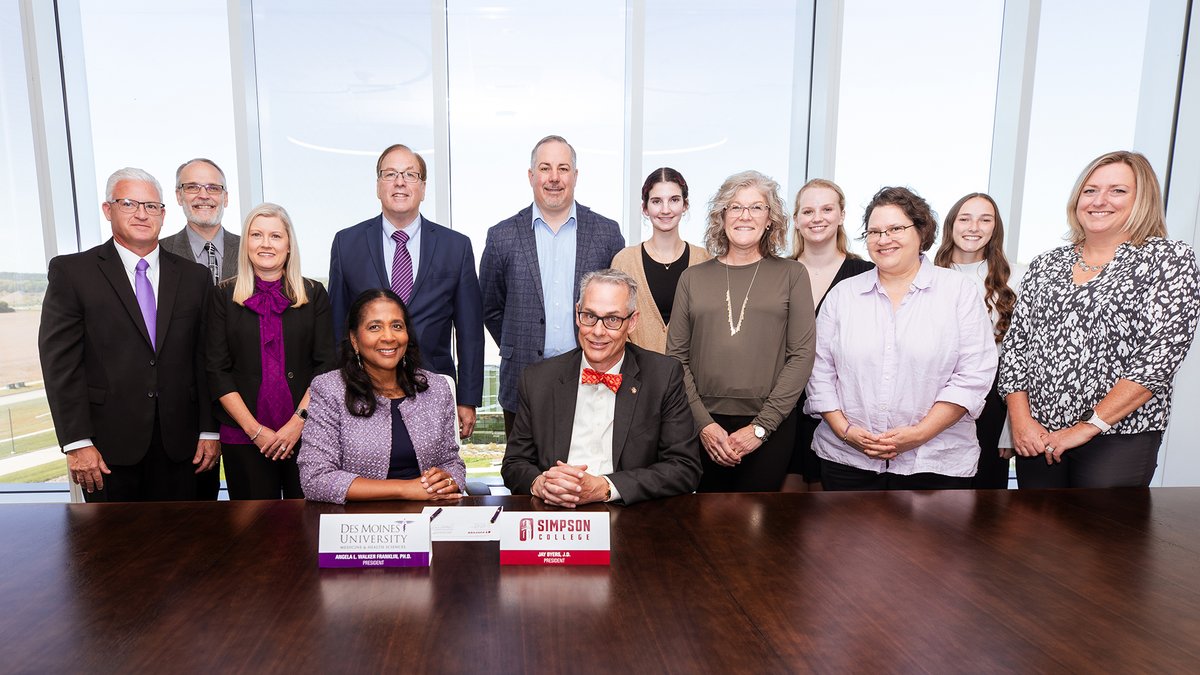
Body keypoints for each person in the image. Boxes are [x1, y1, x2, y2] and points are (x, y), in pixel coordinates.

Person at [999, 151, 1200, 488]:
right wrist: (1021, 422)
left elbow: (1158, 359)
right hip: (1039, 434)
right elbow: (1017, 348)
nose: (1099, 200)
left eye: (1118, 191)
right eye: (1090, 190)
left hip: (1119, 438)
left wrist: (1086, 427)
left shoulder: (1169, 259)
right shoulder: (1046, 263)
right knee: (1035, 538)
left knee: (1101, 539)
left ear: (1142, 199)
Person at [39, 167, 219, 501]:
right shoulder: (72, 273)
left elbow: (205, 358)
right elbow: (60, 365)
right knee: (112, 551)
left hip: (185, 448)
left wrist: (210, 430)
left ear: (163, 214)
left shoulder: (194, 278)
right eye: (128, 204)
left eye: (151, 206)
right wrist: (77, 442)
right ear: (108, 210)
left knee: (192, 549)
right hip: (106, 451)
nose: (141, 214)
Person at [805, 186, 996, 491]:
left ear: (922, 231)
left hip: (935, 463)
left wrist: (920, 433)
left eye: (895, 228)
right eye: (874, 231)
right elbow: (819, 371)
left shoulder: (958, 292)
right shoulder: (843, 295)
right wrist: (845, 431)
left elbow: (973, 375)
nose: (884, 239)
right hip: (847, 460)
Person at [667, 170, 816, 492]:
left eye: (756, 207)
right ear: (722, 217)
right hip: (701, 422)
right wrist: (704, 426)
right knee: (702, 526)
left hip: (770, 423)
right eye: (735, 207)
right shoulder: (692, 278)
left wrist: (761, 428)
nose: (744, 216)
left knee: (758, 527)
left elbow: (802, 355)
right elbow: (675, 357)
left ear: (770, 219)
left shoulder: (792, 274)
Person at [502, 269, 702, 505]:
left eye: (612, 319)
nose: (597, 331)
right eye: (589, 316)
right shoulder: (537, 379)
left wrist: (607, 487)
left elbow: (684, 468)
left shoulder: (663, 376)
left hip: (630, 515)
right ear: (577, 314)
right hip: (555, 515)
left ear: (633, 321)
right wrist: (540, 484)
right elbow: (514, 463)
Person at [328, 144, 484, 439]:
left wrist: (468, 397)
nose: (400, 182)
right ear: (378, 186)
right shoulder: (346, 244)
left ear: (423, 188)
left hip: (433, 389)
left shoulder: (456, 247)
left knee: (433, 480)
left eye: (410, 174)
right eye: (390, 174)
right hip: (364, 392)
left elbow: (470, 332)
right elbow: (337, 326)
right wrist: (341, 389)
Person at [480, 134, 625, 436]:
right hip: (522, 377)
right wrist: (521, 340)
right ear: (531, 176)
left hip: (591, 376)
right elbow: (490, 308)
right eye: (545, 168)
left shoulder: (606, 234)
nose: (554, 178)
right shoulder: (502, 236)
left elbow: (619, 305)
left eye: (563, 168)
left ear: (576, 176)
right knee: (524, 476)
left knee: (589, 473)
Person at [207, 203, 336, 499]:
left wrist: (297, 424)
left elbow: (326, 366)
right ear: (246, 244)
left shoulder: (314, 294)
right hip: (243, 435)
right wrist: (254, 430)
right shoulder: (222, 296)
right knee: (252, 532)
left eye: (275, 236)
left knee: (306, 525)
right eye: (256, 235)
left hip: (306, 433)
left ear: (289, 245)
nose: (266, 244)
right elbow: (217, 369)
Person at [298, 290, 466, 503]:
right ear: (354, 339)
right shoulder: (329, 389)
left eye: (397, 326)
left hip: (429, 516)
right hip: (356, 524)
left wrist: (447, 480)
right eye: (374, 327)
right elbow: (315, 479)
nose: (388, 337)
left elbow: (451, 461)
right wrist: (405, 489)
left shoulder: (435, 387)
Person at [783, 178, 873, 492]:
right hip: (785, 409)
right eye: (808, 211)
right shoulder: (777, 273)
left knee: (829, 522)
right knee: (783, 517)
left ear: (841, 214)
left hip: (842, 411)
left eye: (826, 209)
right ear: (796, 220)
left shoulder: (866, 274)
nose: (817, 217)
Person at [160, 157, 240, 499]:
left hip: (245, 398)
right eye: (192, 186)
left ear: (226, 197)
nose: (203, 195)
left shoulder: (254, 249)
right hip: (184, 404)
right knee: (190, 508)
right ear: (178, 196)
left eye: (213, 187)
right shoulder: (157, 253)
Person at [934, 192, 1019, 489]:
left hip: (993, 398)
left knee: (985, 491)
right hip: (933, 392)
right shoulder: (928, 274)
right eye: (965, 218)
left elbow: (1020, 357)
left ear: (995, 228)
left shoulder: (1016, 278)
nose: (974, 227)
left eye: (985, 219)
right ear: (951, 224)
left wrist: (1011, 427)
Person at [610, 167, 711, 352]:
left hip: (690, 377)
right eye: (656, 201)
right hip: (637, 375)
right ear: (645, 208)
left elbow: (710, 326)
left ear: (685, 205)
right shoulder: (624, 261)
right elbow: (614, 323)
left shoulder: (704, 260)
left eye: (674, 200)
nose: (666, 210)